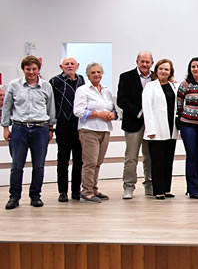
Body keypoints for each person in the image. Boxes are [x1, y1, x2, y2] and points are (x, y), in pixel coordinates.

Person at [2, 55, 55, 210]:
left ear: (39, 69)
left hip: (40, 129)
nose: (31, 72)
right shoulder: (13, 85)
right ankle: (14, 197)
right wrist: (5, 127)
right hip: (19, 129)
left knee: (39, 166)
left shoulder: (46, 86)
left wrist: (50, 128)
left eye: (34, 69)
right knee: (17, 166)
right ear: (23, 69)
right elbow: (7, 107)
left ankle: (35, 196)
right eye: (28, 69)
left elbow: (51, 108)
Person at [73, 62, 117, 203]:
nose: (96, 75)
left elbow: (111, 108)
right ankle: (86, 191)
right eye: (93, 72)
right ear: (88, 74)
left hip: (105, 129)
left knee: (98, 162)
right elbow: (78, 111)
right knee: (90, 162)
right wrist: (98, 114)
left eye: (98, 72)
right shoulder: (82, 90)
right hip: (89, 130)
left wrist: (112, 114)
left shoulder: (106, 91)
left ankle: (93, 188)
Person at [117, 51, 154, 199]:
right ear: (137, 62)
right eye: (142, 61)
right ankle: (128, 186)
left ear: (152, 63)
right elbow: (121, 101)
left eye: (147, 62)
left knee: (150, 157)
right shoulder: (126, 77)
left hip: (152, 125)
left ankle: (150, 185)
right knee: (131, 157)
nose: (144, 64)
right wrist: (140, 113)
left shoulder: (156, 78)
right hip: (133, 123)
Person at [142, 58, 179, 200]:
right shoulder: (150, 86)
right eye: (161, 69)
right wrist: (150, 129)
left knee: (168, 160)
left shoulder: (174, 86)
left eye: (166, 69)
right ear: (156, 71)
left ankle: (167, 189)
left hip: (171, 129)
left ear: (170, 72)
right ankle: (158, 190)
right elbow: (147, 109)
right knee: (157, 161)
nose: (164, 71)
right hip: (156, 130)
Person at [49, 57, 85, 202]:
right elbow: (50, 103)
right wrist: (51, 124)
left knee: (79, 160)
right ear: (61, 66)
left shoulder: (81, 80)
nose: (70, 66)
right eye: (67, 64)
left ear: (77, 66)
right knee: (63, 160)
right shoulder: (54, 81)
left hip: (79, 125)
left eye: (72, 64)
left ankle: (76, 190)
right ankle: (62, 191)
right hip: (63, 125)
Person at [177, 57, 198, 199]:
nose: (196, 69)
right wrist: (184, 116)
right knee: (192, 155)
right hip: (188, 125)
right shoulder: (185, 84)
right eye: (193, 67)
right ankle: (192, 188)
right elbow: (179, 104)